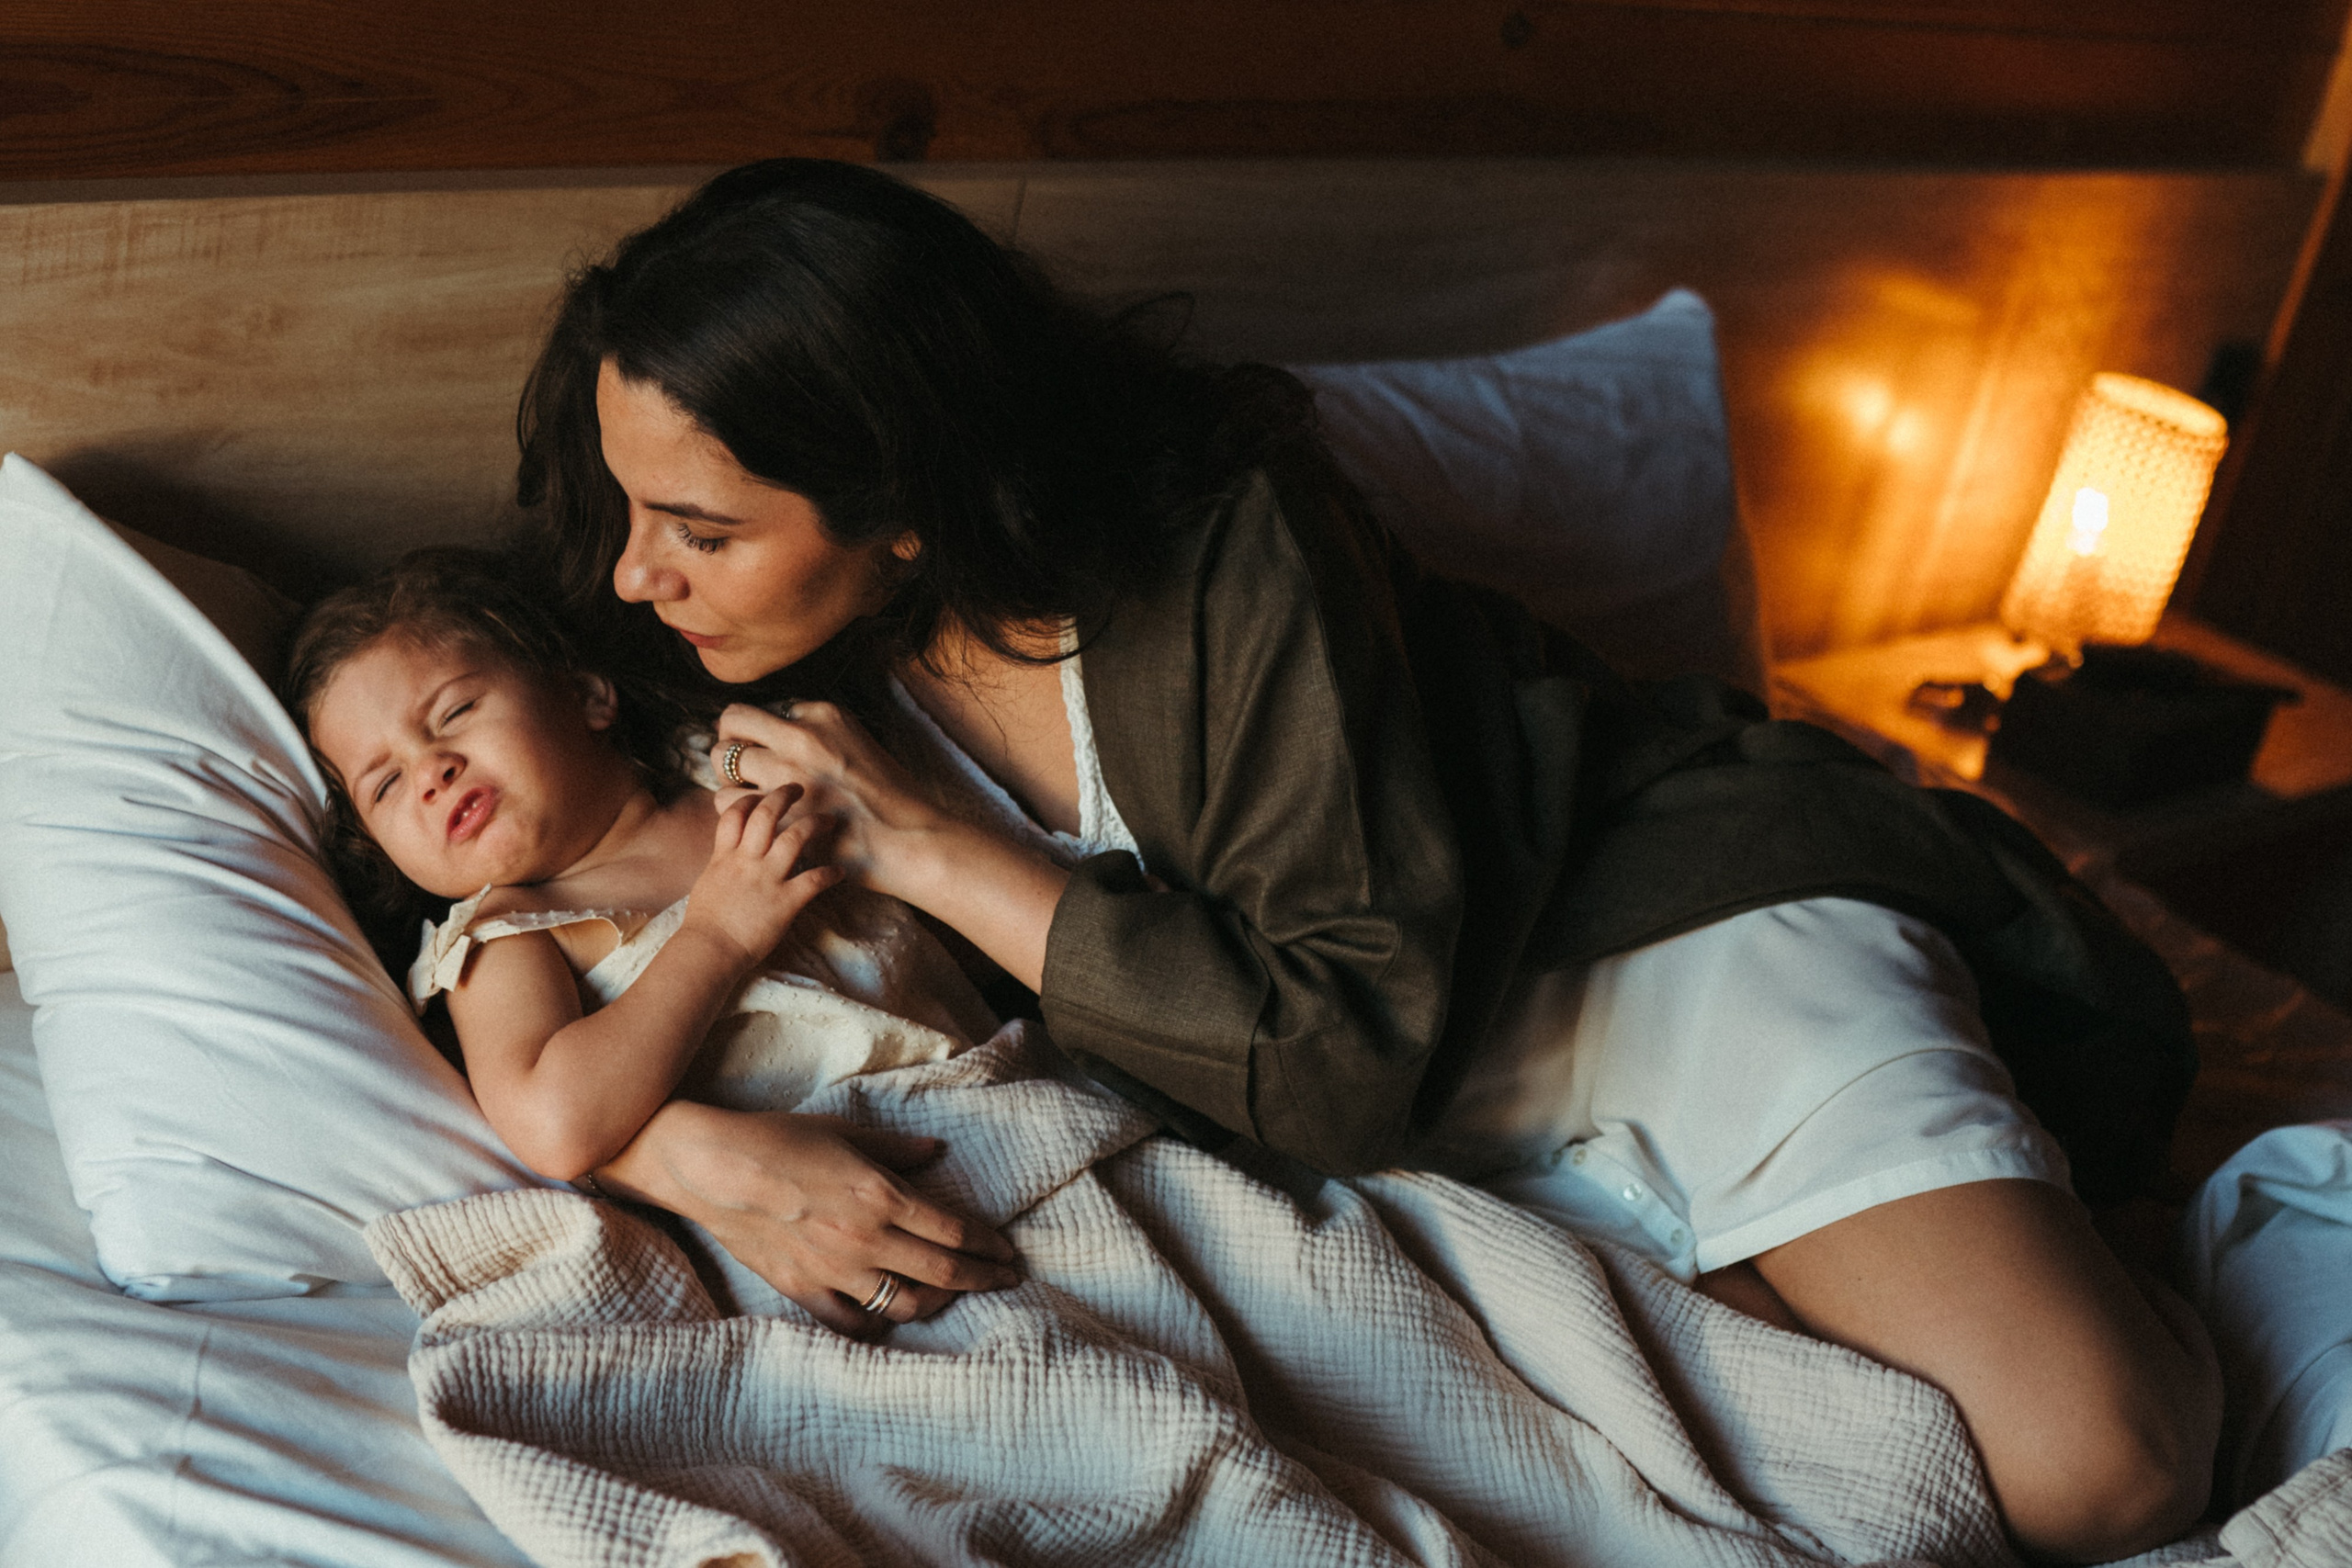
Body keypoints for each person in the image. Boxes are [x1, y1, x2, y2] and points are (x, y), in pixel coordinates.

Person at [511, 157, 2219, 1561]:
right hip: (1423, 1139)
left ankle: (2220, 1230)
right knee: (1850, 1480)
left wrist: (943, 855)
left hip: (1645, 940)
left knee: (2102, 1480)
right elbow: (515, 965)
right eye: (630, 506)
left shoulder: (1233, 546)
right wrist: (693, 1158)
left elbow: (1338, 1060)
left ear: (905, 502)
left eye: (700, 529)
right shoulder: (725, 657)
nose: (640, 575)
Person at [281, 547, 1019, 1335]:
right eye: (386, 783)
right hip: (828, 1259)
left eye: (454, 713)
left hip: (994, 1119)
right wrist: (719, 931)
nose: (432, 770)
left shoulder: (732, 778)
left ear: (587, 694)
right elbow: (556, 1124)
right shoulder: (508, 936)